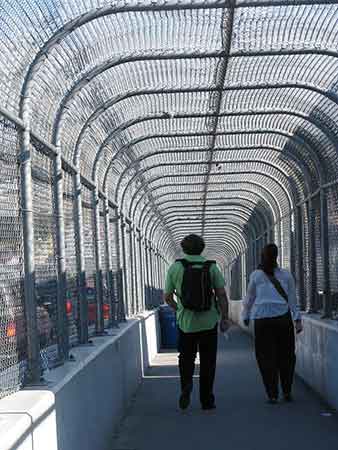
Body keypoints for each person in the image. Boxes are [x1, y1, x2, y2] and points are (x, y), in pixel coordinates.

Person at [164, 234, 230, 411]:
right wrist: (224, 317)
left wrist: (179, 309)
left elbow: (167, 297)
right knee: (208, 361)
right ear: (202, 248)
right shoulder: (211, 267)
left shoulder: (175, 268)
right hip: (209, 321)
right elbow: (222, 295)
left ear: (184, 249)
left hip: (186, 322)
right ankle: (207, 400)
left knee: (186, 358)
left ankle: (186, 385)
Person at [242, 243, 303, 404]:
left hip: (262, 321)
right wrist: (297, 319)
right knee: (287, 356)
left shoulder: (256, 275)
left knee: (265, 357)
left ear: (262, 256)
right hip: (283, 319)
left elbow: (249, 298)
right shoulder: (286, 275)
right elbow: (292, 300)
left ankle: (272, 394)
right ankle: (287, 391)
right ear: (276, 257)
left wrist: (246, 315)